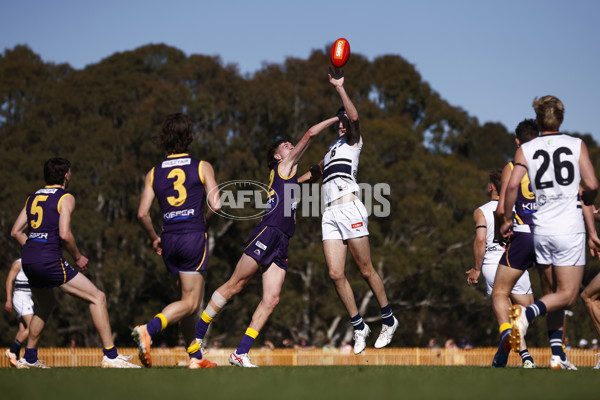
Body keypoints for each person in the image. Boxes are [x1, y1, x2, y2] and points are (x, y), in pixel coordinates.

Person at [193, 115, 340, 367]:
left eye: (291, 143)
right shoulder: (282, 168)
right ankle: (196, 336)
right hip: (268, 231)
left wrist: (338, 147)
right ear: (278, 157)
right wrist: (339, 117)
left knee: (272, 299)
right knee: (235, 285)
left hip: (283, 240)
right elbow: (311, 134)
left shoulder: (291, 178)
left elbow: (314, 173)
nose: (291, 146)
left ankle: (241, 352)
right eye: (285, 145)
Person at [301, 68, 398, 355]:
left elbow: (355, 118)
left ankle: (388, 319)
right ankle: (359, 326)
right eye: (339, 121)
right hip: (329, 214)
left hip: (350, 208)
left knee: (365, 270)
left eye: (344, 120)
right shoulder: (332, 148)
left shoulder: (354, 141)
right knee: (334, 273)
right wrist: (288, 183)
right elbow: (315, 171)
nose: (342, 124)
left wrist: (340, 88)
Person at [500, 95, 600, 370]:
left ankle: (557, 354)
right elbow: (592, 183)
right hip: (569, 227)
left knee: (552, 293)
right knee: (567, 295)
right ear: (562, 118)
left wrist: (507, 218)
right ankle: (526, 315)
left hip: (541, 229)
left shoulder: (527, 149)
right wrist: (586, 196)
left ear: (537, 119)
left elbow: (510, 188)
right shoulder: (576, 145)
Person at [10, 157, 139, 368]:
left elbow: (15, 231)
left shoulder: (32, 198)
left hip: (29, 259)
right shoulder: (65, 197)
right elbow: (65, 234)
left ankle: (29, 358)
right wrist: (78, 257)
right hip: (49, 259)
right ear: (66, 175)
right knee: (98, 297)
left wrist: (33, 248)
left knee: (45, 304)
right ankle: (111, 356)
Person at [132, 113, 220, 369]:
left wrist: (154, 238)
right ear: (189, 137)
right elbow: (216, 204)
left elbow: (142, 213)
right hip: (193, 235)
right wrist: (204, 223)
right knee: (191, 303)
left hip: (168, 238)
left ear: (165, 139)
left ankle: (195, 356)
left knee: (183, 300)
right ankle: (147, 330)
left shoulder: (153, 173)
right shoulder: (202, 166)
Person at [490, 119, 540, 368]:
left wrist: (503, 227)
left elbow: (502, 208)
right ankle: (558, 354)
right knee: (555, 298)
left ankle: (507, 333)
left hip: (522, 235)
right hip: (551, 236)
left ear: (517, 142)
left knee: (500, 292)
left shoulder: (513, 166)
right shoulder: (549, 167)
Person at [4, 258, 34, 367]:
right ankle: (12, 350)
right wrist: (8, 299)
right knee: (33, 327)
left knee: (22, 329)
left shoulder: (34, 262)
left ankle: (14, 359)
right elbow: (9, 280)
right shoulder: (19, 263)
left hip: (28, 298)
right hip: (21, 297)